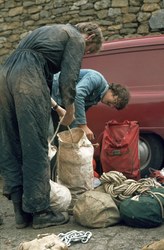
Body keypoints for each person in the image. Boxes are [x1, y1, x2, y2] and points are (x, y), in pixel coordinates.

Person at [0, 22, 103, 229]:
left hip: (4, 75)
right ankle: (41, 212)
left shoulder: (49, 31)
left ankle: (21, 214)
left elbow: (28, 64)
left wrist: (56, 107)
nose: (86, 52)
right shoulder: (75, 37)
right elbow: (68, 78)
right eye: (89, 50)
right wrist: (71, 110)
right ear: (89, 36)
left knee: (11, 144)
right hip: (27, 78)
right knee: (35, 145)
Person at [51, 69, 130, 141]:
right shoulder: (97, 79)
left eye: (114, 106)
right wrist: (83, 125)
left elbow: (76, 116)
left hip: (58, 104)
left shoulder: (97, 98)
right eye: (114, 102)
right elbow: (78, 94)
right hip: (51, 90)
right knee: (48, 134)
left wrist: (83, 141)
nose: (111, 106)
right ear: (113, 91)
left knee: (58, 139)